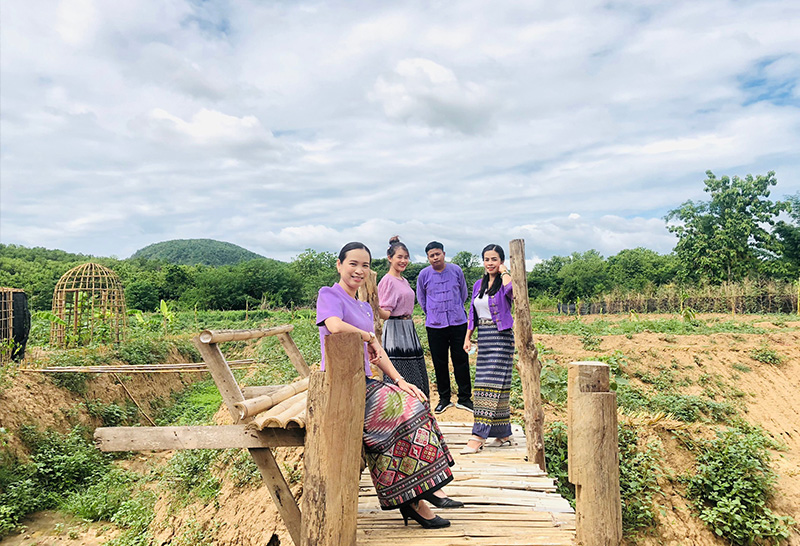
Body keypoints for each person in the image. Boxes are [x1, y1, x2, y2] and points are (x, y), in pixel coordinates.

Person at [316, 242, 459, 528]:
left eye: (365, 265)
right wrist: (366, 336)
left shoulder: (364, 307)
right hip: (341, 386)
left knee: (416, 401)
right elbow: (334, 326)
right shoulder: (329, 295)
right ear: (339, 264)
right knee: (404, 414)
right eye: (353, 263)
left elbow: (378, 353)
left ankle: (421, 493)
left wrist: (400, 380)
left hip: (366, 383)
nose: (359, 270)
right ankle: (418, 496)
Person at [461, 244, 515, 455]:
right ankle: (502, 434)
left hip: (501, 337)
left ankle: (478, 436)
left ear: (500, 261)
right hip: (484, 337)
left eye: (494, 259)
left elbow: (513, 293)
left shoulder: (504, 282)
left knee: (487, 384)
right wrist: (468, 337)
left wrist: (505, 273)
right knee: (497, 387)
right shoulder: (478, 285)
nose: (490, 263)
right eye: (486, 259)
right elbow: (472, 313)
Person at [416, 241, 472, 414]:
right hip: (435, 325)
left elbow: (463, 294)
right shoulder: (423, 275)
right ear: (428, 258)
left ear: (444, 254)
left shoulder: (456, 270)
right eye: (431, 255)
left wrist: (455, 308)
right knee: (439, 363)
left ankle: (464, 398)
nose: (435, 258)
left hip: (458, 322)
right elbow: (422, 299)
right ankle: (444, 398)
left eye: (437, 254)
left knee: (461, 361)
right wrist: (434, 313)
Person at [377, 236, 430, 397]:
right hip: (395, 330)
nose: (403, 261)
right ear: (390, 258)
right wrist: (370, 304)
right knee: (400, 370)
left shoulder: (403, 280)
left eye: (406, 257)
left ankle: (417, 408)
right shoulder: (388, 281)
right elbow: (385, 313)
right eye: (399, 257)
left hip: (408, 328)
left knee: (415, 371)